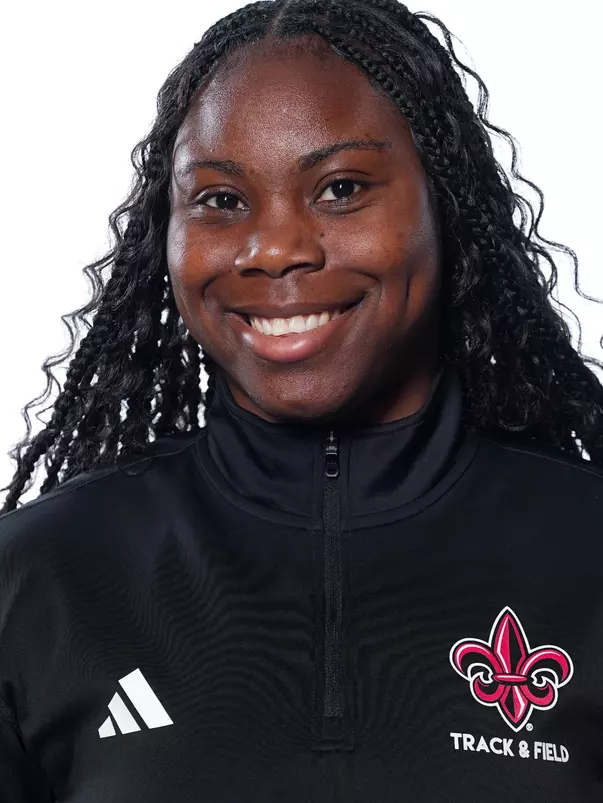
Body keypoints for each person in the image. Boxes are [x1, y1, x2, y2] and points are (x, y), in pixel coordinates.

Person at [0, 0, 602, 799]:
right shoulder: (42, 575)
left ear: (444, 206)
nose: (275, 248)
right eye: (219, 199)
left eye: (340, 187)